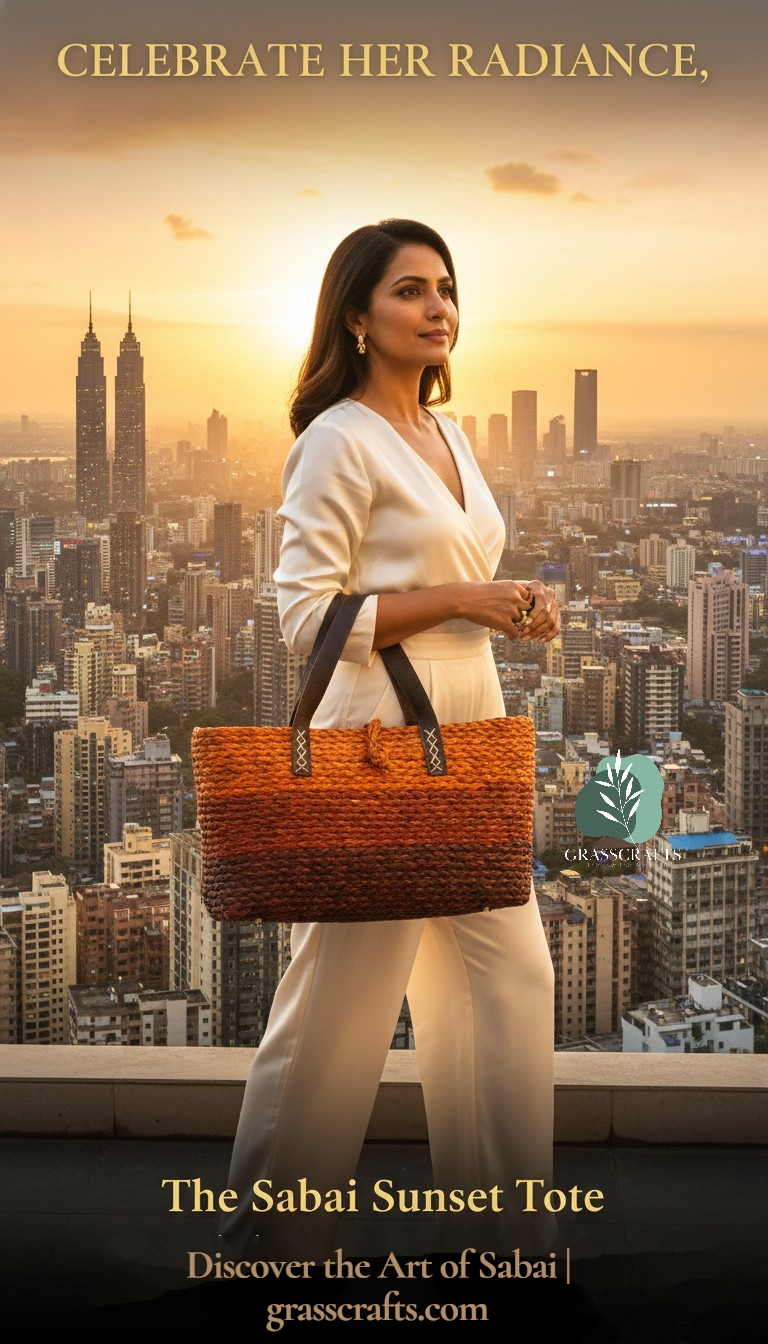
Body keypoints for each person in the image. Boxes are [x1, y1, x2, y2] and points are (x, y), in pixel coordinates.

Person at [217, 218, 561, 1265]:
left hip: (470, 728)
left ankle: (501, 1245)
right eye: (409, 290)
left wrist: (514, 605)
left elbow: (458, 574)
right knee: (338, 1010)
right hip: (376, 735)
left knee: (507, 984)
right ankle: (267, 1252)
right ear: (358, 317)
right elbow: (303, 616)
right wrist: (459, 596)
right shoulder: (337, 439)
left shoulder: (450, 436)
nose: (437, 307)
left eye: (445, 287)